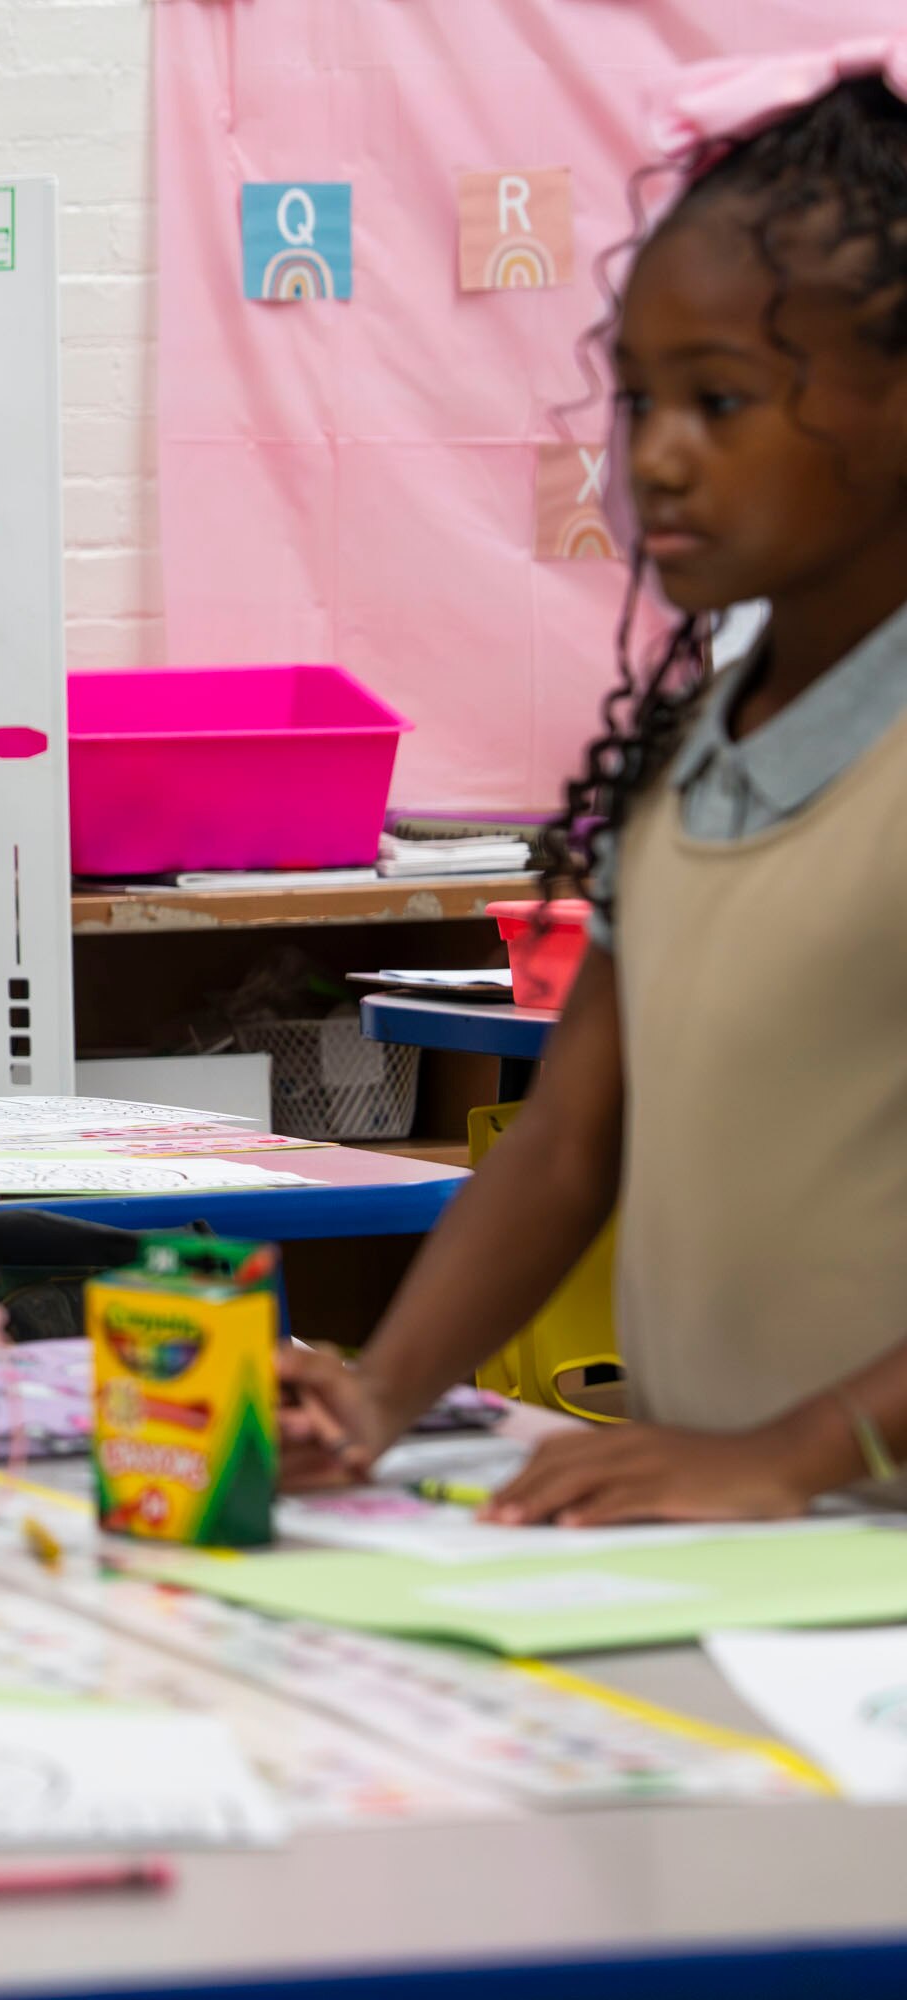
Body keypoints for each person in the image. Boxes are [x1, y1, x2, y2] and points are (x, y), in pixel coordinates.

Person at [280, 60, 907, 1521]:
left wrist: (795, 1454)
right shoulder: (686, 757)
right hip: (742, 1541)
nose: (659, 456)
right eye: (640, 399)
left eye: (725, 399)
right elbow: (573, 1138)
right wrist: (381, 1393)